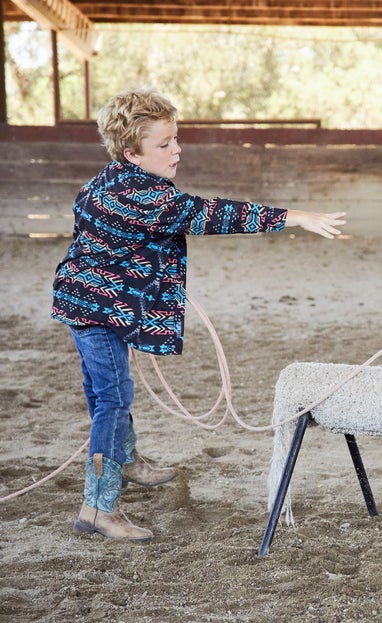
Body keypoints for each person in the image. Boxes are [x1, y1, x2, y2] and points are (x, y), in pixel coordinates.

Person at [51, 88, 346, 541]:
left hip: (85, 302)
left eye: (176, 139)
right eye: (164, 144)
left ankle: (126, 461)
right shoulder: (148, 199)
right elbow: (213, 214)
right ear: (132, 152)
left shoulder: (107, 180)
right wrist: (296, 217)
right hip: (98, 309)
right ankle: (98, 507)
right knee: (112, 398)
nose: (177, 150)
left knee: (107, 390)